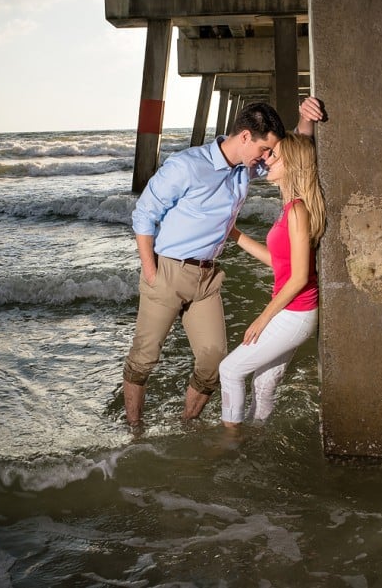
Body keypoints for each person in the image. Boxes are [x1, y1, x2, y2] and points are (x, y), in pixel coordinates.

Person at [122, 98, 325, 427]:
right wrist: (152, 272)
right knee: (144, 359)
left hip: (207, 278)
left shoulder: (248, 166)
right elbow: (144, 215)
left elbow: (291, 159)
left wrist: (305, 121)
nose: (264, 158)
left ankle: (187, 423)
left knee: (214, 360)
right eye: (263, 149)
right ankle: (134, 431)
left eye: (268, 153)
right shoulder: (186, 165)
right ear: (245, 137)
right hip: (169, 271)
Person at [219, 128, 325, 430]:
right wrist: (235, 235)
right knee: (263, 385)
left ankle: (230, 444)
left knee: (230, 371)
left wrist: (262, 319)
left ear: (291, 165)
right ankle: (256, 441)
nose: (266, 158)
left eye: (273, 155)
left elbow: (300, 277)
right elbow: (279, 263)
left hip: (295, 315)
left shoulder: (297, 211)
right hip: (294, 313)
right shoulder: (290, 208)